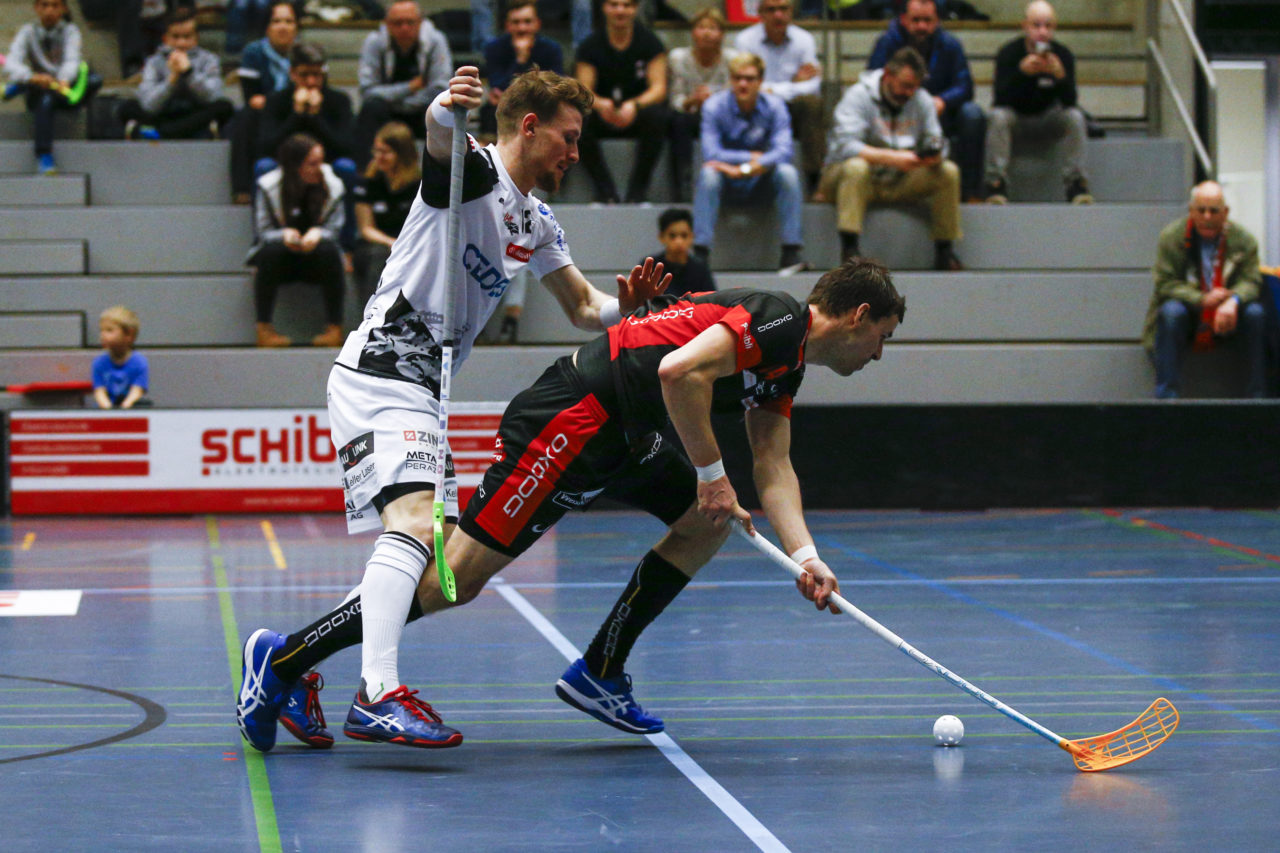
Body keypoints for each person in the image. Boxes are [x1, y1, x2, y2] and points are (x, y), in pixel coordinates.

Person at [235, 257, 900, 748]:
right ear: (859, 316)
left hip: (626, 433)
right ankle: (283, 658)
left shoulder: (786, 363)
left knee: (705, 524)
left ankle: (600, 670)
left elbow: (774, 463)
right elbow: (679, 372)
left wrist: (806, 556)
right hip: (575, 417)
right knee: (454, 580)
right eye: (883, 339)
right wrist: (710, 472)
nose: (878, 355)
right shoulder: (779, 320)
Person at [235, 65, 671, 752]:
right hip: (384, 368)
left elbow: (586, 307)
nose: (575, 152)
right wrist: (443, 105)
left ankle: (286, 660)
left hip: (424, 391)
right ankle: (378, 694)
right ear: (529, 126)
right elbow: (439, 138)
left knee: (438, 571)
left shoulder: (536, 219)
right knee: (411, 528)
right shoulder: (470, 169)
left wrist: (630, 308)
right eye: (569, 136)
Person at [819, 47, 963, 271]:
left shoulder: (921, 99)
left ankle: (945, 250)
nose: (909, 93)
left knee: (948, 171)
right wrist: (894, 158)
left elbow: (938, 141)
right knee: (856, 167)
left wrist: (932, 156)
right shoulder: (858, 96)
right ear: (887, 75)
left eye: (914, 87)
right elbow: (846, 145)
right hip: (851, 177)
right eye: (905, 86)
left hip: (900, 178)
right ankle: (849, 250)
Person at [1142, 181, 1267, 399]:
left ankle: (1257, 399)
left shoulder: (1244, 240)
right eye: (1201, 210)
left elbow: (1252, 281)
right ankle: (1167, 398)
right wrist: (1201, 299)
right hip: (1189, 316)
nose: (1207, 217)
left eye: (1214, 211)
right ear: (1191, 211)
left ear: (1225, 213)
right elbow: (1165, 284)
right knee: (1171, 313)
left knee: (1255, 314)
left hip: (1228, 318)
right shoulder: (1172, 237)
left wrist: (1233, 301)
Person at [693, 52, 809, 275]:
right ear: (730, 80)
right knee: (708, 174)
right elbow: (711, 153)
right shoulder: (713, 106)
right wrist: (750, 159)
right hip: (726, 181)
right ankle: (700, 253)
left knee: (788, 173)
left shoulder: (775, 106)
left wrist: (748, 168)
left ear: (761, 81)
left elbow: (784, 150)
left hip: (761, 182)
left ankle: (791, 252)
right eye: (737, 78)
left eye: (749, 78)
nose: (742, 83)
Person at [868, 0, 984, 201]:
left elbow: (965, 86)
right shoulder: (887, 42)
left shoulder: (950, 44)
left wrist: (943, 100)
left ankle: (971, 193)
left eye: (927, 20)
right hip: (897, 112)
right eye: (916, 20)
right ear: (903, 19)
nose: (922, 26)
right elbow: (873, 81)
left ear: (937, 20)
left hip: (940, 113)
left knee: (972, 115)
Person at [984, 0, 1091, 205]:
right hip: (1016, 118)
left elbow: (1070, 101)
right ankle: (996, 184)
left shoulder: (1063, 54)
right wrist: (1022, 74)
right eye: (1036, 25)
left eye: (1048, 26)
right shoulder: (1009, 53)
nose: (1042, 32)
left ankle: (1076, 185)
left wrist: (1060, 77)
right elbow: (999, 99)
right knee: (997, 117)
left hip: (1048, 118)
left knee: (1075, 117)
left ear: (1054, 28)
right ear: (1025, 26)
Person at [249, 133, 347, 348]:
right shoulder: (268, 186)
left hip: (317, 261)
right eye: (312, 163)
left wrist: (319, 233)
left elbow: (336, 229)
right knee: (269, 251)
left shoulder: (334, 185)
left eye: (321, 162)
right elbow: (263, 231)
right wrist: (283, 235)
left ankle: (334, 328)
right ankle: (264, 329)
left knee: (329, 250)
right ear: (295, 164)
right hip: (282, 261)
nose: (319, 168)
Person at [257, 42, 358, 245]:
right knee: (263, 167)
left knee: (347, 168)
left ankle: (346, 246)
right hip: (285, 165)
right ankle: (263, 242)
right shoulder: (276, 100)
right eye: (304, 75)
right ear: (292, 73)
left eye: (317, 75)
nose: (311, 82)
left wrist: (315, 116)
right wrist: (296, 113)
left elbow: (346, 147)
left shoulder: (339, 100)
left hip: (326, 164)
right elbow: (266, 146)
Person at [573, 0, 668, 204]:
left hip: (638, 114)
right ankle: (605, 193)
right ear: (604, 8)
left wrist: (635, 105)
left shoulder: (650, 42)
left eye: (626, 5)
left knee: (659, 117)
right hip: (602, 114)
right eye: (614, 5)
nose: (620, 11)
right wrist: (601, 105)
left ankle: (638, 193)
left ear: (635, 9)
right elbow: (582, 91)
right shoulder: (590, 45)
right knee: (577, 120)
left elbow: (659, 88)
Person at [734, 0, 825, 193]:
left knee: (813, 104)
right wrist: (793, 84)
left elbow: (813, 85)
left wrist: (772, 90)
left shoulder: (804, 39)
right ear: (760, 13)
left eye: (783, 9)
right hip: (759, 106)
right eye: (771, 10)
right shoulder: (745, 39)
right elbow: (747, 84)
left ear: (791, 12)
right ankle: (747, 179)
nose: (778, 15)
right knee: (742, 100)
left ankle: (814, 179)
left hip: (793, 106)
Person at [3, 0, 102, 176]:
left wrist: (63, 79)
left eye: (55, 6)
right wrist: (32, 77)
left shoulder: (71, 31)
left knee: (94, 80)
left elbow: (73, 60)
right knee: (46, 100)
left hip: (63, 90)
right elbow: (12, 63)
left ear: (63, 8)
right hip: (40, 91)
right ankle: (44, 155)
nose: (49, 11)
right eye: (44, 5)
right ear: (36, 7)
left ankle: (17, 88)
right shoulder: (27, 32)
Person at [354, 0, 452, 166]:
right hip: (387, 111)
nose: (404, 28)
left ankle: (440, 171)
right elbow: (367, 90)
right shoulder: (374, 41)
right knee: (371, 108)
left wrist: (401, 101)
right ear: (386, 24)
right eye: (397, 23)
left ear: (420, 22)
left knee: (440, 109)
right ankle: (366, 175)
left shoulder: (436, 40)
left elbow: (440, 88)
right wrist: (410, 87)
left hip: (420, 109)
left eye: (410, 22)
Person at [117, 6, 235, 140]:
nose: (181, 43)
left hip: (194, 114)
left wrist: (189, 73)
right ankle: (171, 133)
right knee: (126, 108)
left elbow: (212, 97)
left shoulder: (209, 59)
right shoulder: (154, 62)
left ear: (196, 38)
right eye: (175, 37)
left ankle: (160, 134)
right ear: (165, 38)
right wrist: (171, 80)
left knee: (224, 107)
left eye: (187, 37)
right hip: (163, 114)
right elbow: (149, 105)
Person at [666, 6, 737, 203]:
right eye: (701, 27)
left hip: (722, 115)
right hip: (690, 114)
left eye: (713, 28)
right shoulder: (678, 57)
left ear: (722, 34)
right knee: (677, 121)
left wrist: (713, 99)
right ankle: (683, 183)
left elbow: (736, 97)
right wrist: (692, 100)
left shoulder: (733, 60)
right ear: (692, 32)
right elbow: (675, 100)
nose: (706, 33)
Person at [230, 1, 298, 202]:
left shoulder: (305, 51)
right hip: (265, 114)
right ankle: (241, 187)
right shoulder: (253, 52)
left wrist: (271, 101)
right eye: (276, 21)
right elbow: (252, 98)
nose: (283, 26)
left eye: (289, 21)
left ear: (296, 26)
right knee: (244, 116)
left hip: (295, 110)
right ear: (267, 27)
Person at [351, 121, 419, 301]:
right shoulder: (367, 183)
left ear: (403, 154)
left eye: (386, 152)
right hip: (377, 244)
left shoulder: (419, 184)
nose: (379, 157)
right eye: (376, 151)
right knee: (379, 255)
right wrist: (391, 242)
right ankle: (372, 318)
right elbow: (366, 228)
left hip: (410, 245)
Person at [479, 0, 563, 139]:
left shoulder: (552, 49)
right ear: (507, 26)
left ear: (537, 24)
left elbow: (556, 86)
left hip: (541, 104)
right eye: (516, 22)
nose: (522, 28)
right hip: (507, 106)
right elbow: (498, 87)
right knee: (489, 110)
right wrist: (520, 60)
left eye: (527, 21)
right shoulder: (494, 48)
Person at [649, 207, 715, 298]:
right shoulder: (650, 266)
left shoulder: (701, 269)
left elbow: (711, 302)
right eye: (672, 236)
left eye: (684, 236)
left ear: (692, 236)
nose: (678, 241)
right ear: (661, 237)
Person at [92, 305, 149, 410]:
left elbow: (137, 390)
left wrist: (123, 410)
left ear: (129, 335)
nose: (103, 335)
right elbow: (99, 391)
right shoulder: (99, 363)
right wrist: (109, 411)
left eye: (109, 330)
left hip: (130, 411)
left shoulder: (139, 362)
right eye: (101, 330)